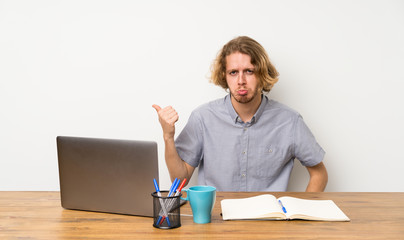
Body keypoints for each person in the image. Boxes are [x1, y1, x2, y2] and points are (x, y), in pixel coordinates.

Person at [152, 36, 328, 192]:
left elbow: (319, 173)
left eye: (249, 71)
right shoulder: (203, 118)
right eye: (233, 72)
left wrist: (302, 215)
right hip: (216, 222)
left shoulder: (290, 121)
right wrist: (168, 136)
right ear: (225, 75)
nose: (241, 81)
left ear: (261, 73)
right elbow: (179, 182)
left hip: (270, 224)